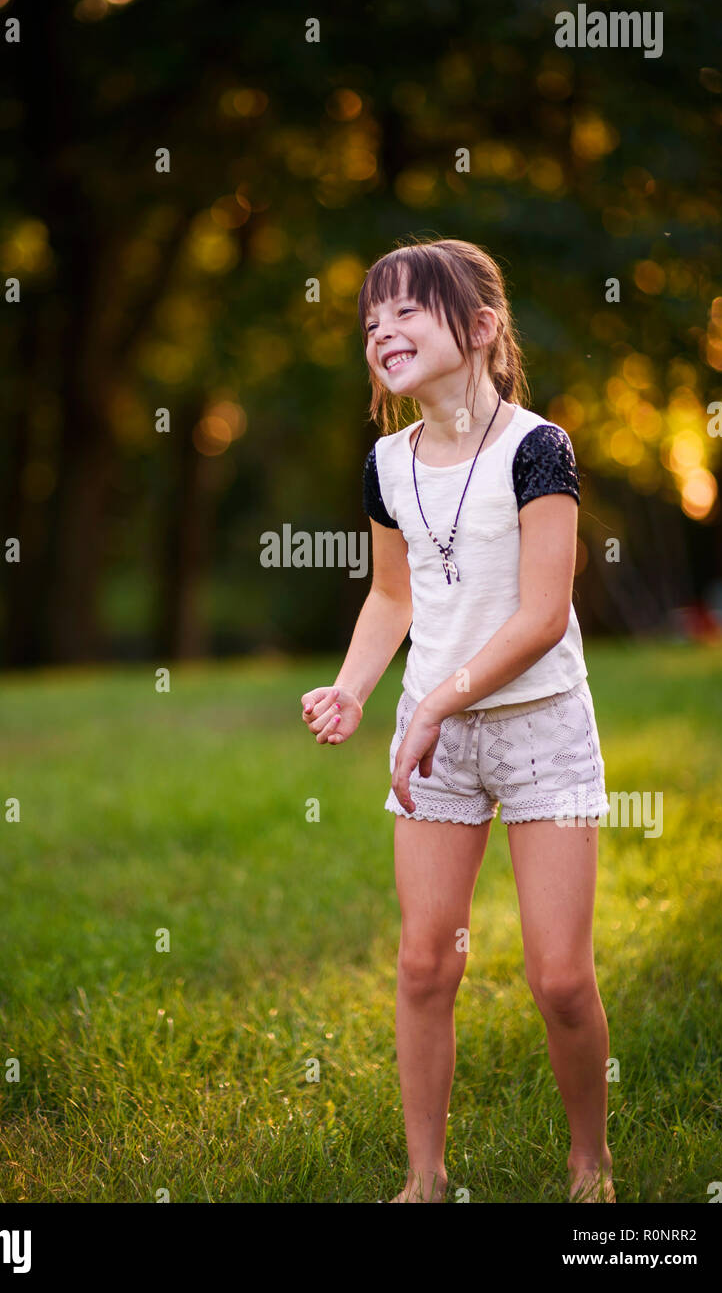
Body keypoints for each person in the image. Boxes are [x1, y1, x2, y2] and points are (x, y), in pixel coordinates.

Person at [301, 238, 614, 1204]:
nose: (381, 329)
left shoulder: (536, 447)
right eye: (369, 320)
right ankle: (425, 1181)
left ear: (478, 328)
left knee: (558, 977)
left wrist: (434, 700)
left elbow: (542, 614)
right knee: (424, 962)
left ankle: (589, 1162)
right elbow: (390, 599)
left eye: (406, 311)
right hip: (434, 744)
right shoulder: (386, 466)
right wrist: (356, 689)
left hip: (537, 731)